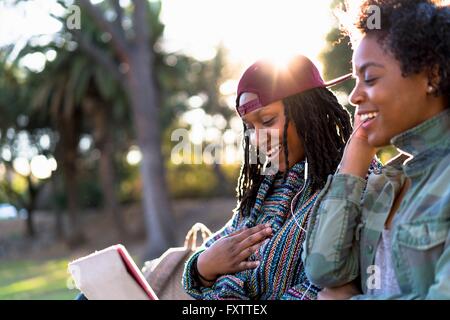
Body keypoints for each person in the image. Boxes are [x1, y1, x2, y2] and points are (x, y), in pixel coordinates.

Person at [182, 55, 363, 299]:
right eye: (250, 127)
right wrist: (203, 267)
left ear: (309, 112)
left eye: (267, 120)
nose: (257, 138)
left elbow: (326, 287)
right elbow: (215, 247)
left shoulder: (353, 181)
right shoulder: (265, 186)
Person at [303, 0, 450, 299]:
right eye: (355, 80)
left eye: (369, 78)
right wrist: (353, 161)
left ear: (432, 76)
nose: (355, 96)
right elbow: (323, 270)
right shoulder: (389, 182)